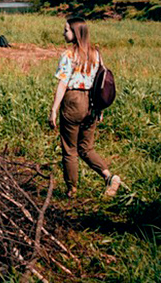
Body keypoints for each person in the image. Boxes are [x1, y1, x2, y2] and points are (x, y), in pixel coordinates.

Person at [47, 16, 122, 197]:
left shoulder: (68, 55)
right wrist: (100, 108)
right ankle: (109, 176)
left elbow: (63, 84)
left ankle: (72, 190)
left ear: (75, 33)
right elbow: (102, 82)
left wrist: (54, 109)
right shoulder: (96, 54)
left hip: (73, 100)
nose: (63, 33)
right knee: (86, 148)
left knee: (69, 149)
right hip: (91, 102)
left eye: (66, 30)